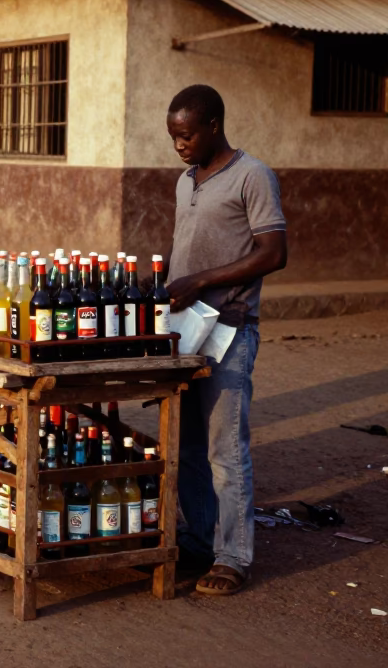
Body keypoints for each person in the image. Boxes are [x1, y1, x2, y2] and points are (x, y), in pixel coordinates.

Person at [162, 84, 287, 596]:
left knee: (224, 449)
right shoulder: (185, 180)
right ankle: (202, 538)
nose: (180, 145)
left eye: (187, 135)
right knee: (187, 444)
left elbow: (274, 252)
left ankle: (233, 556)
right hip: (187, 331)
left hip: (231, 328)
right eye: (173, 137)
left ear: (214, 124)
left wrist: (201, 280)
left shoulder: (252, 175)